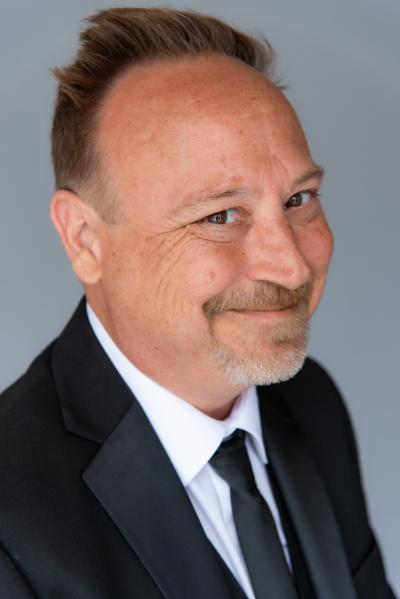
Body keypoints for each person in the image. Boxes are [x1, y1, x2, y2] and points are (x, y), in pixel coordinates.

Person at [0, 7, 395, 599]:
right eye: (220, 215)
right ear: (85, 240)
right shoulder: (10, 519)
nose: (291, 265)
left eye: (299, 199)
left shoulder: (312, 404)